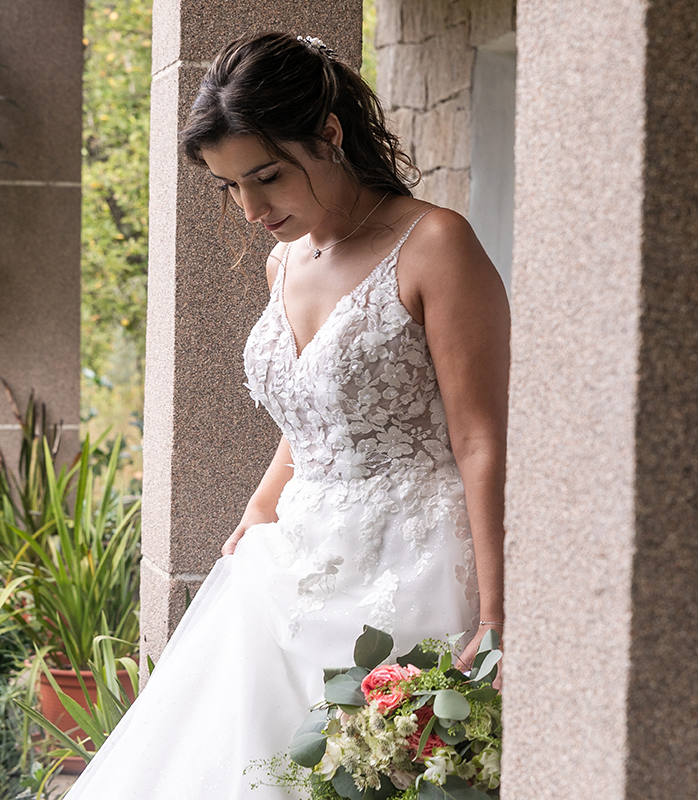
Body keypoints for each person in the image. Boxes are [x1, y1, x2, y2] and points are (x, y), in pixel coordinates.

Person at [66, 31, 509, 799]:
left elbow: (480, 441)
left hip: (413, 565)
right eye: (229, 187)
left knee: (377, 770)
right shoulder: (285, 259)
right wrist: (259, 505)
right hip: (286, 561)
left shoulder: (435, 244)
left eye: (265, 177)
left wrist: (501, 613)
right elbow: (315, 411)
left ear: (329, 134)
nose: (250, 209)